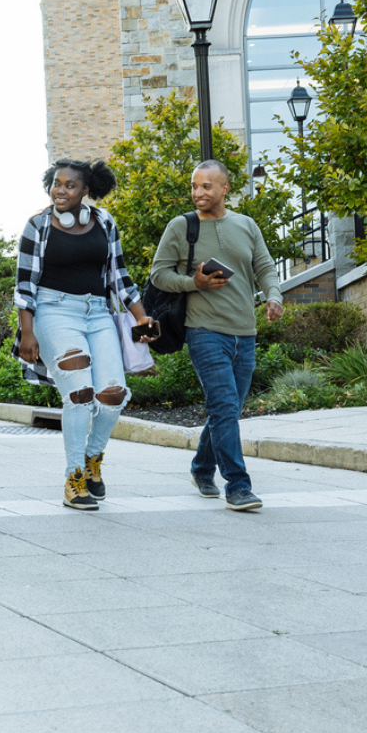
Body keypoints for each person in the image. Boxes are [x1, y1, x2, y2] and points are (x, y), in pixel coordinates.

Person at [15, 158, 158, 511]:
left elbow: (120, 277)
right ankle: (74, 476)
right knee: (79, 392)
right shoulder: (38, 226)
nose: (60, 190)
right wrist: (27, 333)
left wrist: (141, 318)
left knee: (113, 393)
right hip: (53, 311)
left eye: (69, 185)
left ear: (86, 191)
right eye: (56, 183)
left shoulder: (104, 222)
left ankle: (93, 460)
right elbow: (24, 286)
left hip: (97, 314)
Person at [150, 161, 282, 511]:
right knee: (223, 405)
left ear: (225, 189)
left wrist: (274, 296)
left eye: (207, 186)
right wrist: (192, 283)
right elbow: (158, 274)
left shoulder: (246, 224)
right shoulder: (182, 227)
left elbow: (265, 267)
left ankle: (202, 467)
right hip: (204, 329)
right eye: (195, 186)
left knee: (230, 408)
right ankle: (238, 485)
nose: (198, 193)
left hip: (245, 331)